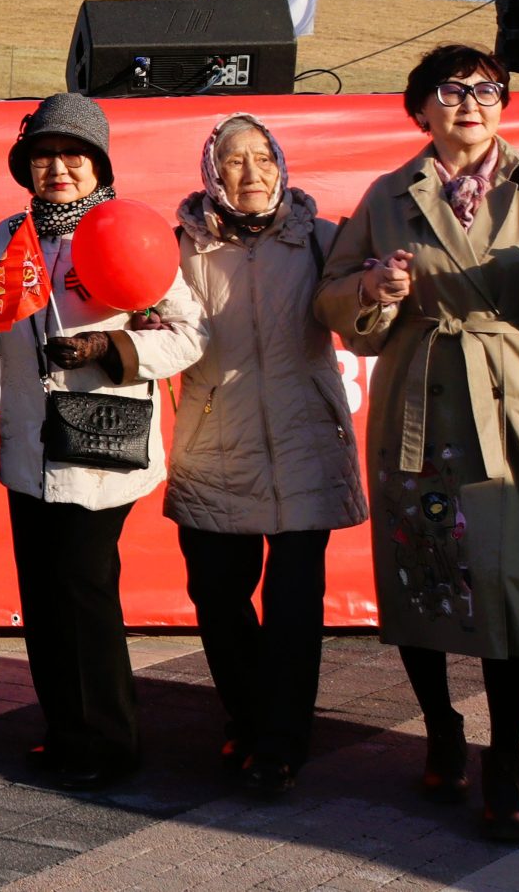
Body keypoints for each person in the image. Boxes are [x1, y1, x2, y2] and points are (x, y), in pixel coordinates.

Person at [315, 45, 519, 840]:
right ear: (420, 108)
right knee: (421, 570)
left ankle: (506, 758)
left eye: (487, 89)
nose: (471, 101)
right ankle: (442, 727)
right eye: (451, 88)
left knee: (511, 581)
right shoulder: (387, 194)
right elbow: (332, 297)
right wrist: (373, 289)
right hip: (425, 402)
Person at [0, 93, 203, 790]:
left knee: (84, 592)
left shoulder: (127, 228)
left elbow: (191, 333)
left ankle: (111, 742)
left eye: (74, 155)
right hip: (31, 448)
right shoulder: (13, 234)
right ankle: (66, 732)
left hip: (101, 448)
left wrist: (112, 348)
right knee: (42, 597)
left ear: (99, 164)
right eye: (43, 157)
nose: (59, 169)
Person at [167, 113, 365, 796]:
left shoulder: (321, 240)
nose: (251, 172)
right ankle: (249, 716)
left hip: (304, 439)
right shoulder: (179, 246)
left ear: (281, 165)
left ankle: (281, 742)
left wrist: (378, 294)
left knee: (294, 604)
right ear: (211, 171)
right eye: (234, 159)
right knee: (218, 596)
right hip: (213, 444)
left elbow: (361, 326)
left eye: (264, 158)